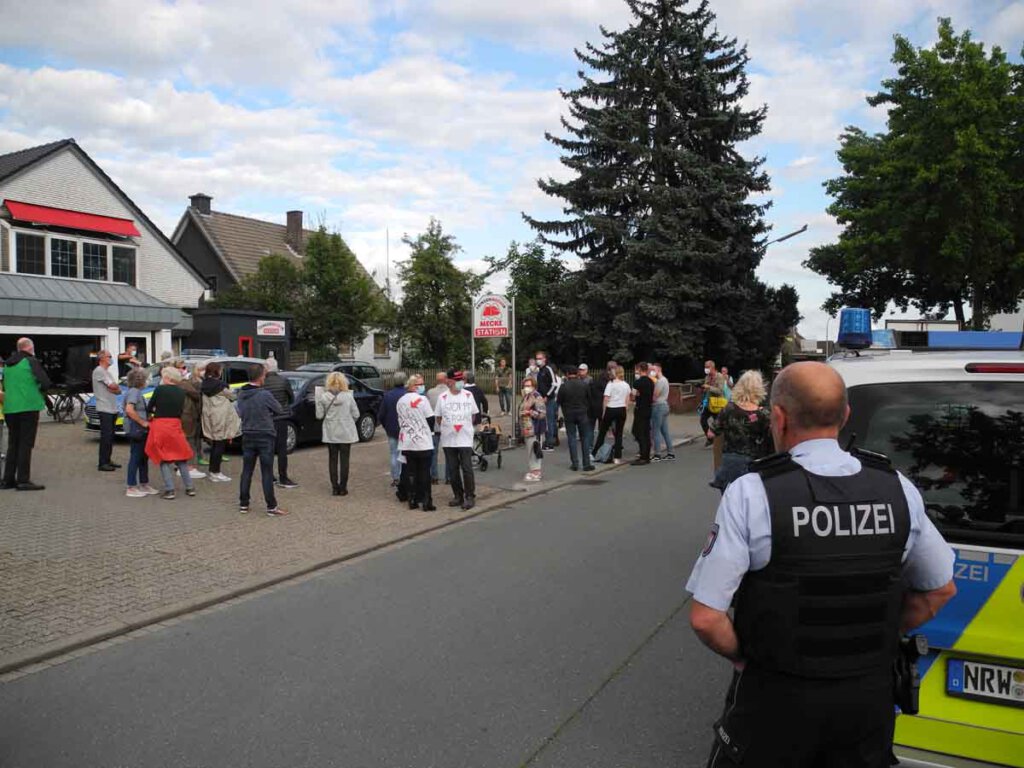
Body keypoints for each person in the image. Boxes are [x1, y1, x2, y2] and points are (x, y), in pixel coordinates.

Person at [686, 361, 956, 768]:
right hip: (867, 703)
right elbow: (940, 588)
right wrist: (877, 635)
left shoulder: (753, 492)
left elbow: (707, 619)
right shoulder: (896, 487)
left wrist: (749, 657)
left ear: (778, 417)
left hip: (778, 697)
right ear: (846, 414)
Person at [708, 370, 772, 493]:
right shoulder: (764, 414)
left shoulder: (729, 409)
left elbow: (711, 433)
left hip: (729, 462)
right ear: (759, 388)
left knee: (729, 501)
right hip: (753, 464)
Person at [1, 338, 51, 491]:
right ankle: (23, 480)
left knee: (13, 444)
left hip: (10, 408)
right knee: (25, 444)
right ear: (30, 348)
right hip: (28, 407)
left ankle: (7, 480)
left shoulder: (7, 365)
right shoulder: (30, 361)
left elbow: (4, 385)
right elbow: (46, 382)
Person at [236, 363, 286, 516]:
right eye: (264, 375)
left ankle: (244, 504)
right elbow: (279, 409)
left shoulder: (241, 394)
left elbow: (239, 412)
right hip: (264, 435)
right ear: (260, 377)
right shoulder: (264, 394)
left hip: (248, 433)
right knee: (266, 472)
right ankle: (271, 506)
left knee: (246, 470)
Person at [144, 365, 196, 500]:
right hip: (175, 425)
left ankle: (170, 490)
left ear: (166, 377)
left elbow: (150, 407)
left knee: (164, 459)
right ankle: (190, 487)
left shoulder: (160, 389)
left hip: (161, 425)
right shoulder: (181, 392)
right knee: (181, 458)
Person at [437, 372, 479, 509]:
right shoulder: (442, 397)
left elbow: (473, 415)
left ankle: (470, 496)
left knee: (466, 467)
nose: (461, 382)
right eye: (457, 380)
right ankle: (458, 495)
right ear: (449, 382)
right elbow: (439, 417)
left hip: (465, 438)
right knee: (452, 468)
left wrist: (464, 426)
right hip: (449, 439)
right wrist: (449, 427)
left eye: (462, 380)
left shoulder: (468, 395)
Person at [316, 371, 360, 496]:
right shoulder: (348, 396)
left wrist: (318, 403)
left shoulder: (324, 397)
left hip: (331, 431)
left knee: (332, 459)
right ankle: (343, 487)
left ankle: (334, 487)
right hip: (346, 431)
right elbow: (356, 414)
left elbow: (319, 415)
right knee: (345, 460)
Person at [396, 374, 436, 511]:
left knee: (411, 471)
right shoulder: (422, 400)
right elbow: (431, 419)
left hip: (407, 441)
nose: (422, 387)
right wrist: (427, 431)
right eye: (420, 384)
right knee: (425, 472)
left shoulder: (401, 400)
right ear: (413, 386)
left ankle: (412, 499)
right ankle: (426, 501)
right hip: (423, 441)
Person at [200, 361, 241, 483]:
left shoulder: (204, 384)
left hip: (209, 416)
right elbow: (233, 396)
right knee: (220, 445)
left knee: (215, 444)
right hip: (220, 417)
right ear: (217, 371)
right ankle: (215, 472)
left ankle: (213, 471)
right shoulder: (220, 386)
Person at [123, 366, 158, 497]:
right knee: (136, 457)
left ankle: (144, 484)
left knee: (143, 457)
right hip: (137, 429)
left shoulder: (136, 392)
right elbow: (129, 410)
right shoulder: (134, 392)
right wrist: (143, 422)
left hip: (141, 429)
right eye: (146, 378)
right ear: (140, 380)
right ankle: (131, 487)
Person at [264, 357, 297, 488]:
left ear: (266, 369)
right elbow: (292, 398)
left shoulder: (263, 382)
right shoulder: (284, 381)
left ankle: (269, 476)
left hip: (267, 419)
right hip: (281, 418)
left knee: (268, 449)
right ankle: (283, 477)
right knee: (282, 450)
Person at [557, 365, 595, 472]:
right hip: (582, 413)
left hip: (569, 414)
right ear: (577, 374)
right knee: (585, 438)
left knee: (572, 438)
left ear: (567, 374)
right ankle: (586, 463)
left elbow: (559, 401)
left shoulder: (564, 386)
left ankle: (575, 463)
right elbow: (589, 399)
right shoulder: (584, 385)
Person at [92, 350, 122, 472]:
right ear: (102, 358)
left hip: (112, 408)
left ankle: (108, 460)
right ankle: (102, 463)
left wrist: (114, 388)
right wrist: (114, 388)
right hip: (105, 408)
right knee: (106, 436)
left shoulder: (107, 372)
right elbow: (113, 386)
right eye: (109, 356)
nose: (111, 358)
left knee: (110, 436)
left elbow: (117, 389)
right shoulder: (99, 371)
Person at [593, 366, 630, 465]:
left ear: (615, 373)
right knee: (618, 434)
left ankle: (594, 452)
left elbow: (606, 398)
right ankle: (617, 457)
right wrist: (625, 409)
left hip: (611, 408)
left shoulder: (611, 384)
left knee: (602, 432)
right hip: (621, 408)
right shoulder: (626, 385)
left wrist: (604, 412)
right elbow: (627, 399)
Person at [377, 371, 407, 488]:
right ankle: (404, 476)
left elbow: (381, 414)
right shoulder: (407, 394)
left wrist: (386, 426)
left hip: (392, 429)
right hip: (405, 429)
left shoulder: (388, 395)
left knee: (394, 454)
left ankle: (395, 478)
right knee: (404, 454)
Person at [176, 362, 205, 480]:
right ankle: (188, 467)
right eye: (182, 367)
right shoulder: (183, 383)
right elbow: (196, 395)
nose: (184, 370)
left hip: (187, 414)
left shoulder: (184, 382)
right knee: (189, 440)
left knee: (187, 440)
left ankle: (183, 465)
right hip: (186, 415)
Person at [519, 375, 546, 482]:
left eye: (529, 386)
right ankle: (532, 470)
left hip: (536, 428)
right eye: (525, 386)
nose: (526, 388)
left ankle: (536, 472)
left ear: (534, 386)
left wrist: (530, 412)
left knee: (535, 449)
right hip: (527, 427)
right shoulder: (526, 396)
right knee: (530, 450)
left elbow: (542, 414)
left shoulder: (537, 396)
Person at [426, 371, 448, 484]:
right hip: (447, 427)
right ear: (446, 380)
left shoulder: (430, 392)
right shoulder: (449, 393)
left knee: (433, 453)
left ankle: (434, 477)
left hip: (434, 427)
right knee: (449, 453)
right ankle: (449, 477)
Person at [700, 360, 728, 447]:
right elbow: (706, 390)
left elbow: (719, 391)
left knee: (719, 423)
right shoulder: (707, 377)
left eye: (707, 367)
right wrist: (703, 390)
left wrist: (709, 387)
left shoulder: (719, 377)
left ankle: (723, 441)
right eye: (705, 367)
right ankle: (710, 438)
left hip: (718, 404)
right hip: (709, 404)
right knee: (702, 420)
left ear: (713, 367)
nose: (706, 369)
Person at [630, 362, 654, 465]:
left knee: (638, 432)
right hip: (648, 409)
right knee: (646, 432)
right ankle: (647, 455)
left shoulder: (637, 383)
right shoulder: (651, 382)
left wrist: (637, 395)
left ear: (640, 369)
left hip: (640, 409)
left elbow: (632, 396)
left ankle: (643, 456)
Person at [650, 363, 674, 462]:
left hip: (658, 406)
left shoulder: (660, 381)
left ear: (659, 370)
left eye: (653, 370)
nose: (652, 372)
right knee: (665, 431)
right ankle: (670, 453)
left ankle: (657, 454)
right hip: (664, 405)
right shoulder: (665, 380)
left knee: (656, 431)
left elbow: (655, 396)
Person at [534, 352, 558, 450]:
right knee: (543, 420)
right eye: (537, 358)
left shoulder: (548, 369)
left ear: (544, 359)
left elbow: (554, 384)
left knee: (550, 421)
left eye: (540, 358)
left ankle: (550, 443)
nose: (538, 360)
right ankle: (547, 440)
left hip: (548, 399)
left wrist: (547, 395)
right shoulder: (539, 371)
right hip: (540, 399)